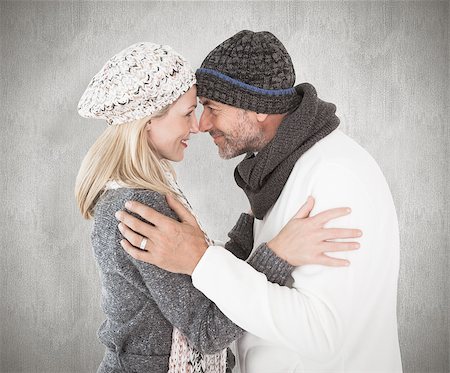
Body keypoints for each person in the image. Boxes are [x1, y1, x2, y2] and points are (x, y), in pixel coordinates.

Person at [117, 31, 403, 372]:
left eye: (212, 108)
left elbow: (324, 335)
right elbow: (263, 285)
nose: (201, 124)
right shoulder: (280, 171)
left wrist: (202, 261)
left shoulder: (335, 175)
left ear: (258, 108)